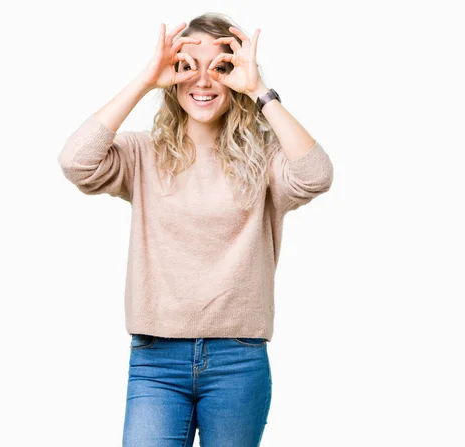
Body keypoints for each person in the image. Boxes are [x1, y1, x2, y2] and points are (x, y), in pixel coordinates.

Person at [57, 12, 333, 447]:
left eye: (221, 68)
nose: (203, 81)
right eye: (189, 66)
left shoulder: (264, 158)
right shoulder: (142, 153)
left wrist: (261, 92)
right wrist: (145, 80)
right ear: (173, 77)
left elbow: (315, 175)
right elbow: (77, 162)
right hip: (156, 358)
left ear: (236, 76)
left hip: (237, 358)